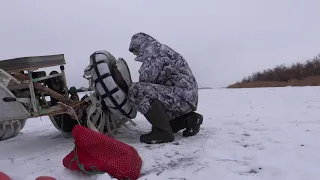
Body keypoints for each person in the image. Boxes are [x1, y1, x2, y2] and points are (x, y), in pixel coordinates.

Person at [127, 32, 203, 144]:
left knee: (136, 90)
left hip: (180, 95)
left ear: (140, 45)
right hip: (186, 97)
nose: (135, 54)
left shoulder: (153, 53)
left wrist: (125, 89)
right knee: (167, 122)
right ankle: (190, 120)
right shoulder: (161, 49)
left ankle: (163, 133)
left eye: (135, 50)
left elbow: (146, 81)